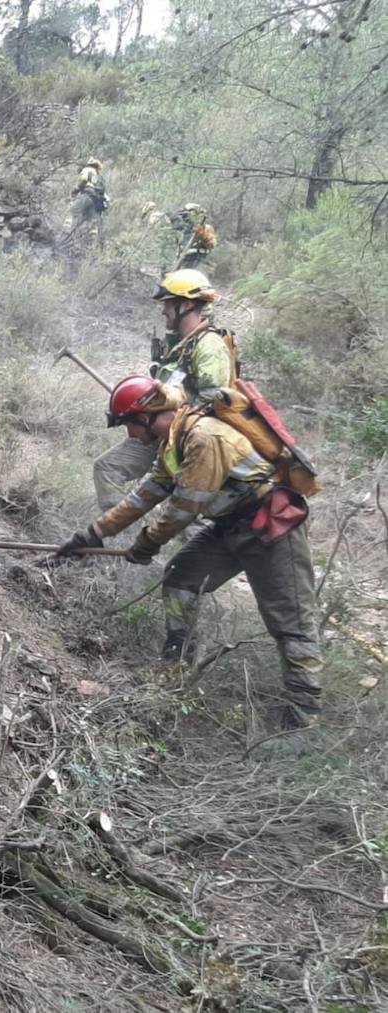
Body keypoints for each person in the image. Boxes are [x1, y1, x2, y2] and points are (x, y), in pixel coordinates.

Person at [61, 375, 323, 745]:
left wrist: (146, 544)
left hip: (271, 529)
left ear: (148, 415)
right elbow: (144, 495)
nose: (130, 437)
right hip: (231, 526)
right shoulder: (174, 442)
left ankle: (302, 723)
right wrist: (92, 535)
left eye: (129, 426)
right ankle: (176, 664)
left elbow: (185, 508)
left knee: (292, 624)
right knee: (181, 579)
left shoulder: (205, 438)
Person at [92, 269, 238, 510]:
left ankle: (172, 537)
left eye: (169, 304)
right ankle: (121, 534)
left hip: (190, 440)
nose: (164, 310)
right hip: (158, 433)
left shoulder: (210, 347)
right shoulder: (181, 345)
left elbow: (213, 403)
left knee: (183, 506)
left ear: (187, 304)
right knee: (107, 467)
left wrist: (176, 436)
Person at [67, 157, 108, 243]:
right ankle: (92, 244)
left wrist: (76, 189)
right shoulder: (97, 174)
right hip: (94, 199)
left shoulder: (87, 169)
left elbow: (84, 179)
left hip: (86, 195)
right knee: (93, 224)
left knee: (72, 211)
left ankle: (67, 236)